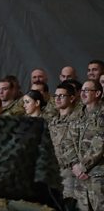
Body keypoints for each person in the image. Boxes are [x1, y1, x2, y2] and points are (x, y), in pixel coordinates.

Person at [64, 80, 104, 210]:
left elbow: (99, 145)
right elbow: (68, 140)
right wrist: (74, 165)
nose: (83, 93)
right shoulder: (77, 114)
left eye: (87, 90)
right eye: (82, 90)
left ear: (97, 93)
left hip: (99, 174)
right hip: (79, 176)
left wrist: (82, 167)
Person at [48, 82, 80, 210]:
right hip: (54, 172)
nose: (58, 99)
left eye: (62, 96)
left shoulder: (78, 120)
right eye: (56, 96)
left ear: (72, 98)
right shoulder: (53, 121)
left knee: (69, 206)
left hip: (70, 173)